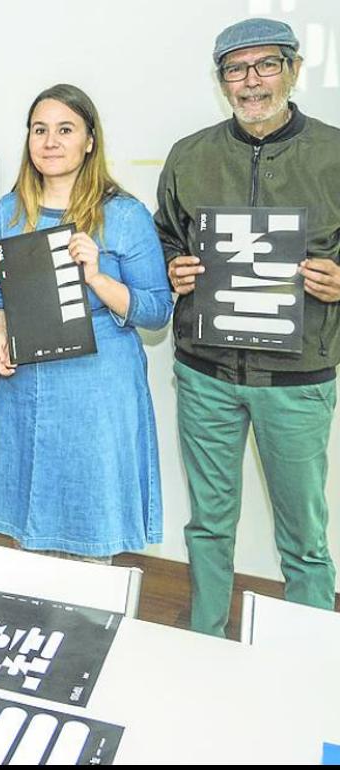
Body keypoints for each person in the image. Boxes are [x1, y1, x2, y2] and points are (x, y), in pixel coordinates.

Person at [154, 18, 340, 636]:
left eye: (266, 65)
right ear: (222, 81)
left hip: (297, 380)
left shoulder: (334, 153)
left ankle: (309, 655)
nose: (251, 81)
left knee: (304, 536)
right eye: (236, 69)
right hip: (204, 375)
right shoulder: (189, 155)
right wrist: (174, 267)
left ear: (294, 69)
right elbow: (165, 236)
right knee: (208, 524)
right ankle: (205, 640)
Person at [0, 84, 173, 562]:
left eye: (65, 130)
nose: (50, 141)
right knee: (30, 543)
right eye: (40, 130)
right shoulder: (11, 210)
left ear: (89, 141)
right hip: (27, 387)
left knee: (91, 535)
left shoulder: (123, 214)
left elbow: (156, 310)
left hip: (97, 392)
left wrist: (98, 278)